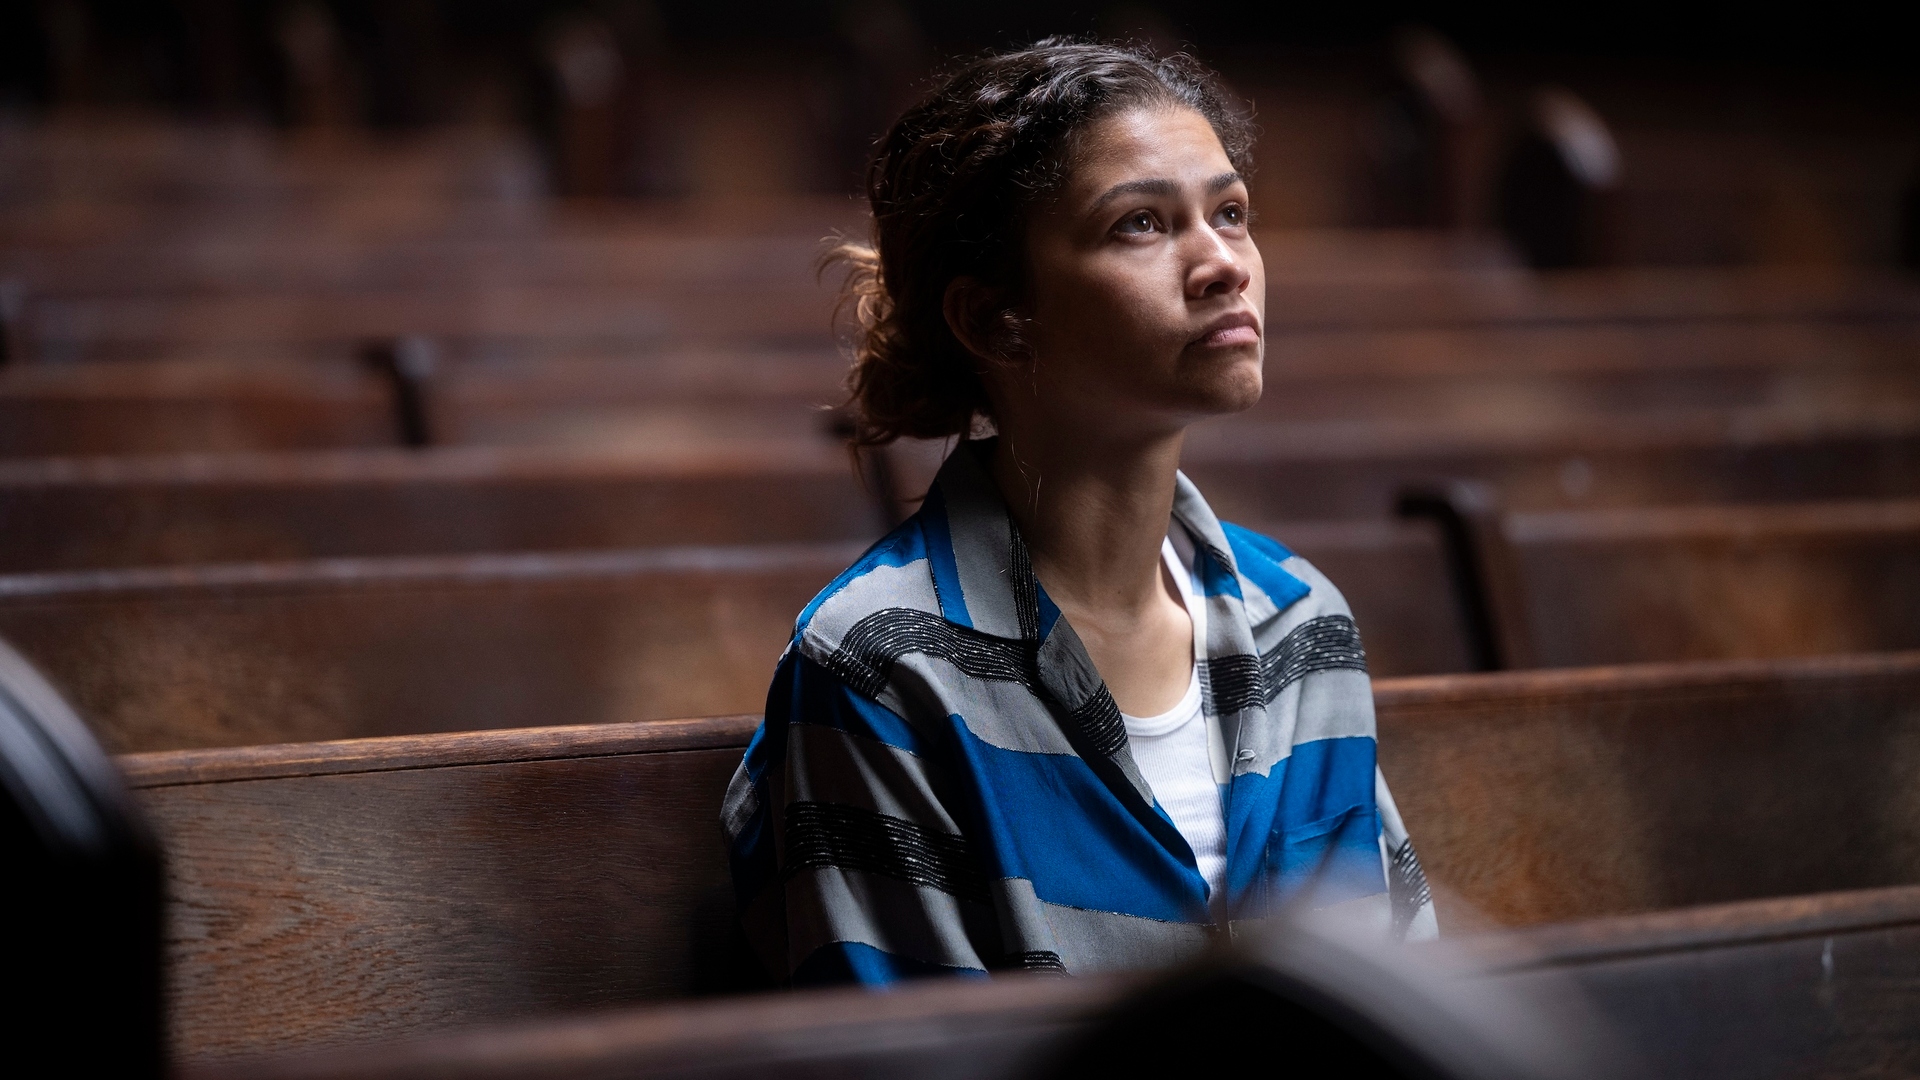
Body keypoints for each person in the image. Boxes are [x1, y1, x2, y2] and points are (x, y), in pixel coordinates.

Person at [723, 38, 1436, 986]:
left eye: (1230, 213)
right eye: (1142, 224)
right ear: (992, 319)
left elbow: (1402, 999)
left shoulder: (1301, 623)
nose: (1224, 263)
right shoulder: (882, 666)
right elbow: (915, 1055)